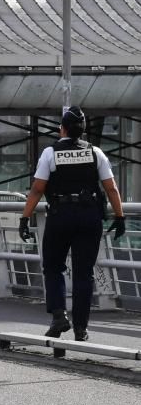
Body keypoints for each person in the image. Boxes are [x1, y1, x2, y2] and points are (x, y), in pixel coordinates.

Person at [19, 106, 126, 341]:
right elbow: (111, 188)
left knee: (54, 267)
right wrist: (119, 217)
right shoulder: (96, 152)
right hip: (89, 218)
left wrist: (25, 218)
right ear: (83, 131)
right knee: (83, 273)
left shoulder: (51, 153)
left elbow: (38, 189)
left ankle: (59, 315)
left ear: (62, 129)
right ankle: (81, 328)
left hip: (61, 215)